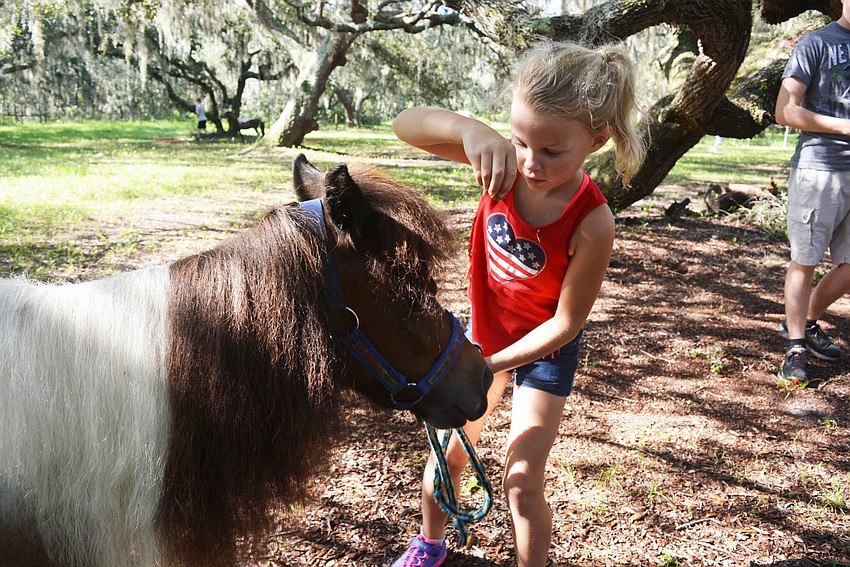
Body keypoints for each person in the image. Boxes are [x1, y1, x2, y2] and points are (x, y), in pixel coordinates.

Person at [390, 40, 645, 567]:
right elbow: (404, 123)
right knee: (450, 452)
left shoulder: (592, 221)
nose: (531, 162)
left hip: (543, 354)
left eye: (552, 151)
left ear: (596, 140)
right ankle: (430, 544)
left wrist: (492, 365)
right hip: (481, 336)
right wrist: (470, 131)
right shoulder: (501, 167)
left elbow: (566, 324)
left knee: (522, 480)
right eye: (520, 140)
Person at [774, 0, 850, 388]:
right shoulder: (817, 43)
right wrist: (845, 127)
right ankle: (796, 347)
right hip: (820, 168)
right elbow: (785, 110)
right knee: (805, 260)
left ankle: (802, 320)